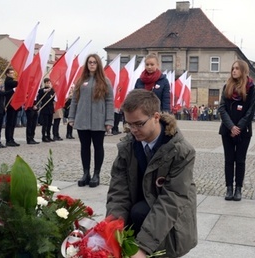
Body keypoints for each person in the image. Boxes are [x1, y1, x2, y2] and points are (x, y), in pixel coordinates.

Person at [106, 89, 197, 257]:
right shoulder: (127, 147)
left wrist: (143, 247)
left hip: (171, 224)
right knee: (136, 212)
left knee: (141, 211)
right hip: (138, 211)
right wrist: (112, 231)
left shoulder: (181, 151)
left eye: (139, 124)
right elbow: (119, 191)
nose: (133, 130)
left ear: (156, 117)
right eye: (129, 124)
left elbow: (172, 201)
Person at [68, 54, 114, 187]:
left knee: (98, 147)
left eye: (94, 62)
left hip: (98, 121)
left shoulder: (105, 81)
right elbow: (75, 100)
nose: (92, 64)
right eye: (89, 62)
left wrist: (109, 120)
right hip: (82, 120)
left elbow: (110, 102)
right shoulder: (81, 81)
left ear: (98, 64)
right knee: (84, 147)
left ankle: (96, 174)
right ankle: (86, 173)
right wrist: (71, 117)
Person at [218, 60, 255, 201]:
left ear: (243, 70)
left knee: (240, 160)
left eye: (237, 68)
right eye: (233, 68)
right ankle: (229, 188)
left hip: (243, 131)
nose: (234, 71)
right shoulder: (226, 86)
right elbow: (222, 108)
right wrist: (231, 127)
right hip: (227, 130)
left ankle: (238, 188)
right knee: (229, 160)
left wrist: (238, 127)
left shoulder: (251, 87)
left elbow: (250, 110)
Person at [4, 68, 20, 147]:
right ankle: (8, 139)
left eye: (13, 73)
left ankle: (11, 138)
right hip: (10, 104)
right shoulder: (8, 81)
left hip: (14, 104)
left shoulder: (12, 81)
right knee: (10, 123)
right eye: (11, 73)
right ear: (7, 74)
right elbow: (17, 83)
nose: (12, 74)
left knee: (13, 123)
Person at [37, 78, 56, 142]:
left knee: (50, 123)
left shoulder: (52, 90)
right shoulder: (42, 90)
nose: (48, 84)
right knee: (45, 123)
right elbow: (40, 94)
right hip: (45, 108)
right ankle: (44, 137)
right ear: (45, 83)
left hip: (50, 108)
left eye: (49, 83)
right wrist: (45, 90)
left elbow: (53, 98)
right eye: (47, 83)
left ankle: (48, 135)